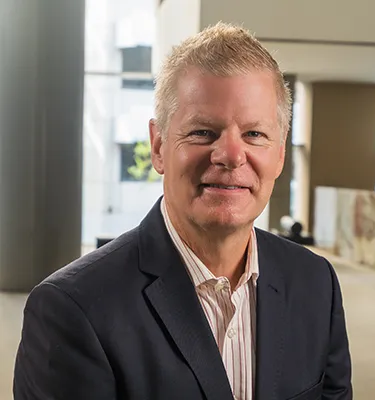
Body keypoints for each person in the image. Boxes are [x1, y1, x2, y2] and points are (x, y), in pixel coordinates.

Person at [14, 23, 352, 400]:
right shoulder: (73, 309)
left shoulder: (315, 283)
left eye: (254, 134)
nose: (231, 155)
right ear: (159, 146)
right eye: (203, 132)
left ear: (280, 153)